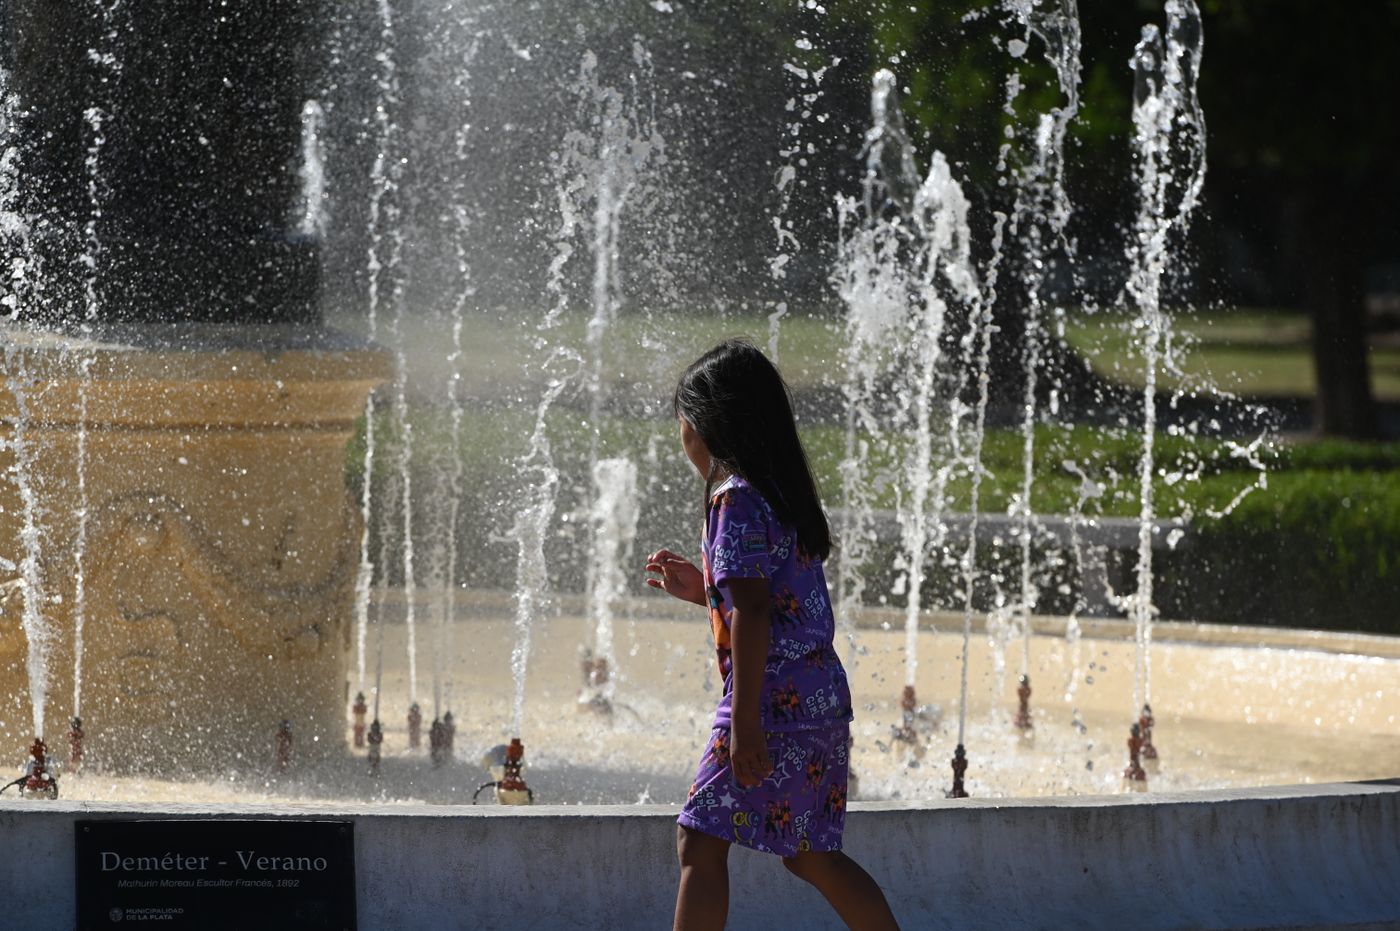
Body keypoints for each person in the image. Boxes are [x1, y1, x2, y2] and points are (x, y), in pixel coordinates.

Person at [646, 339, 900, 931]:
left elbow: (756, 613)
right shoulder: (780, 494)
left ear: (707, 426)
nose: (681, 436)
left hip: (771, 703)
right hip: (819, 698)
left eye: (682, 421)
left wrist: (746, 722)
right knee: (811, 855)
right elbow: (769, 600)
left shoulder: (733, 499)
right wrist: (705, 589)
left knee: (699, 844)